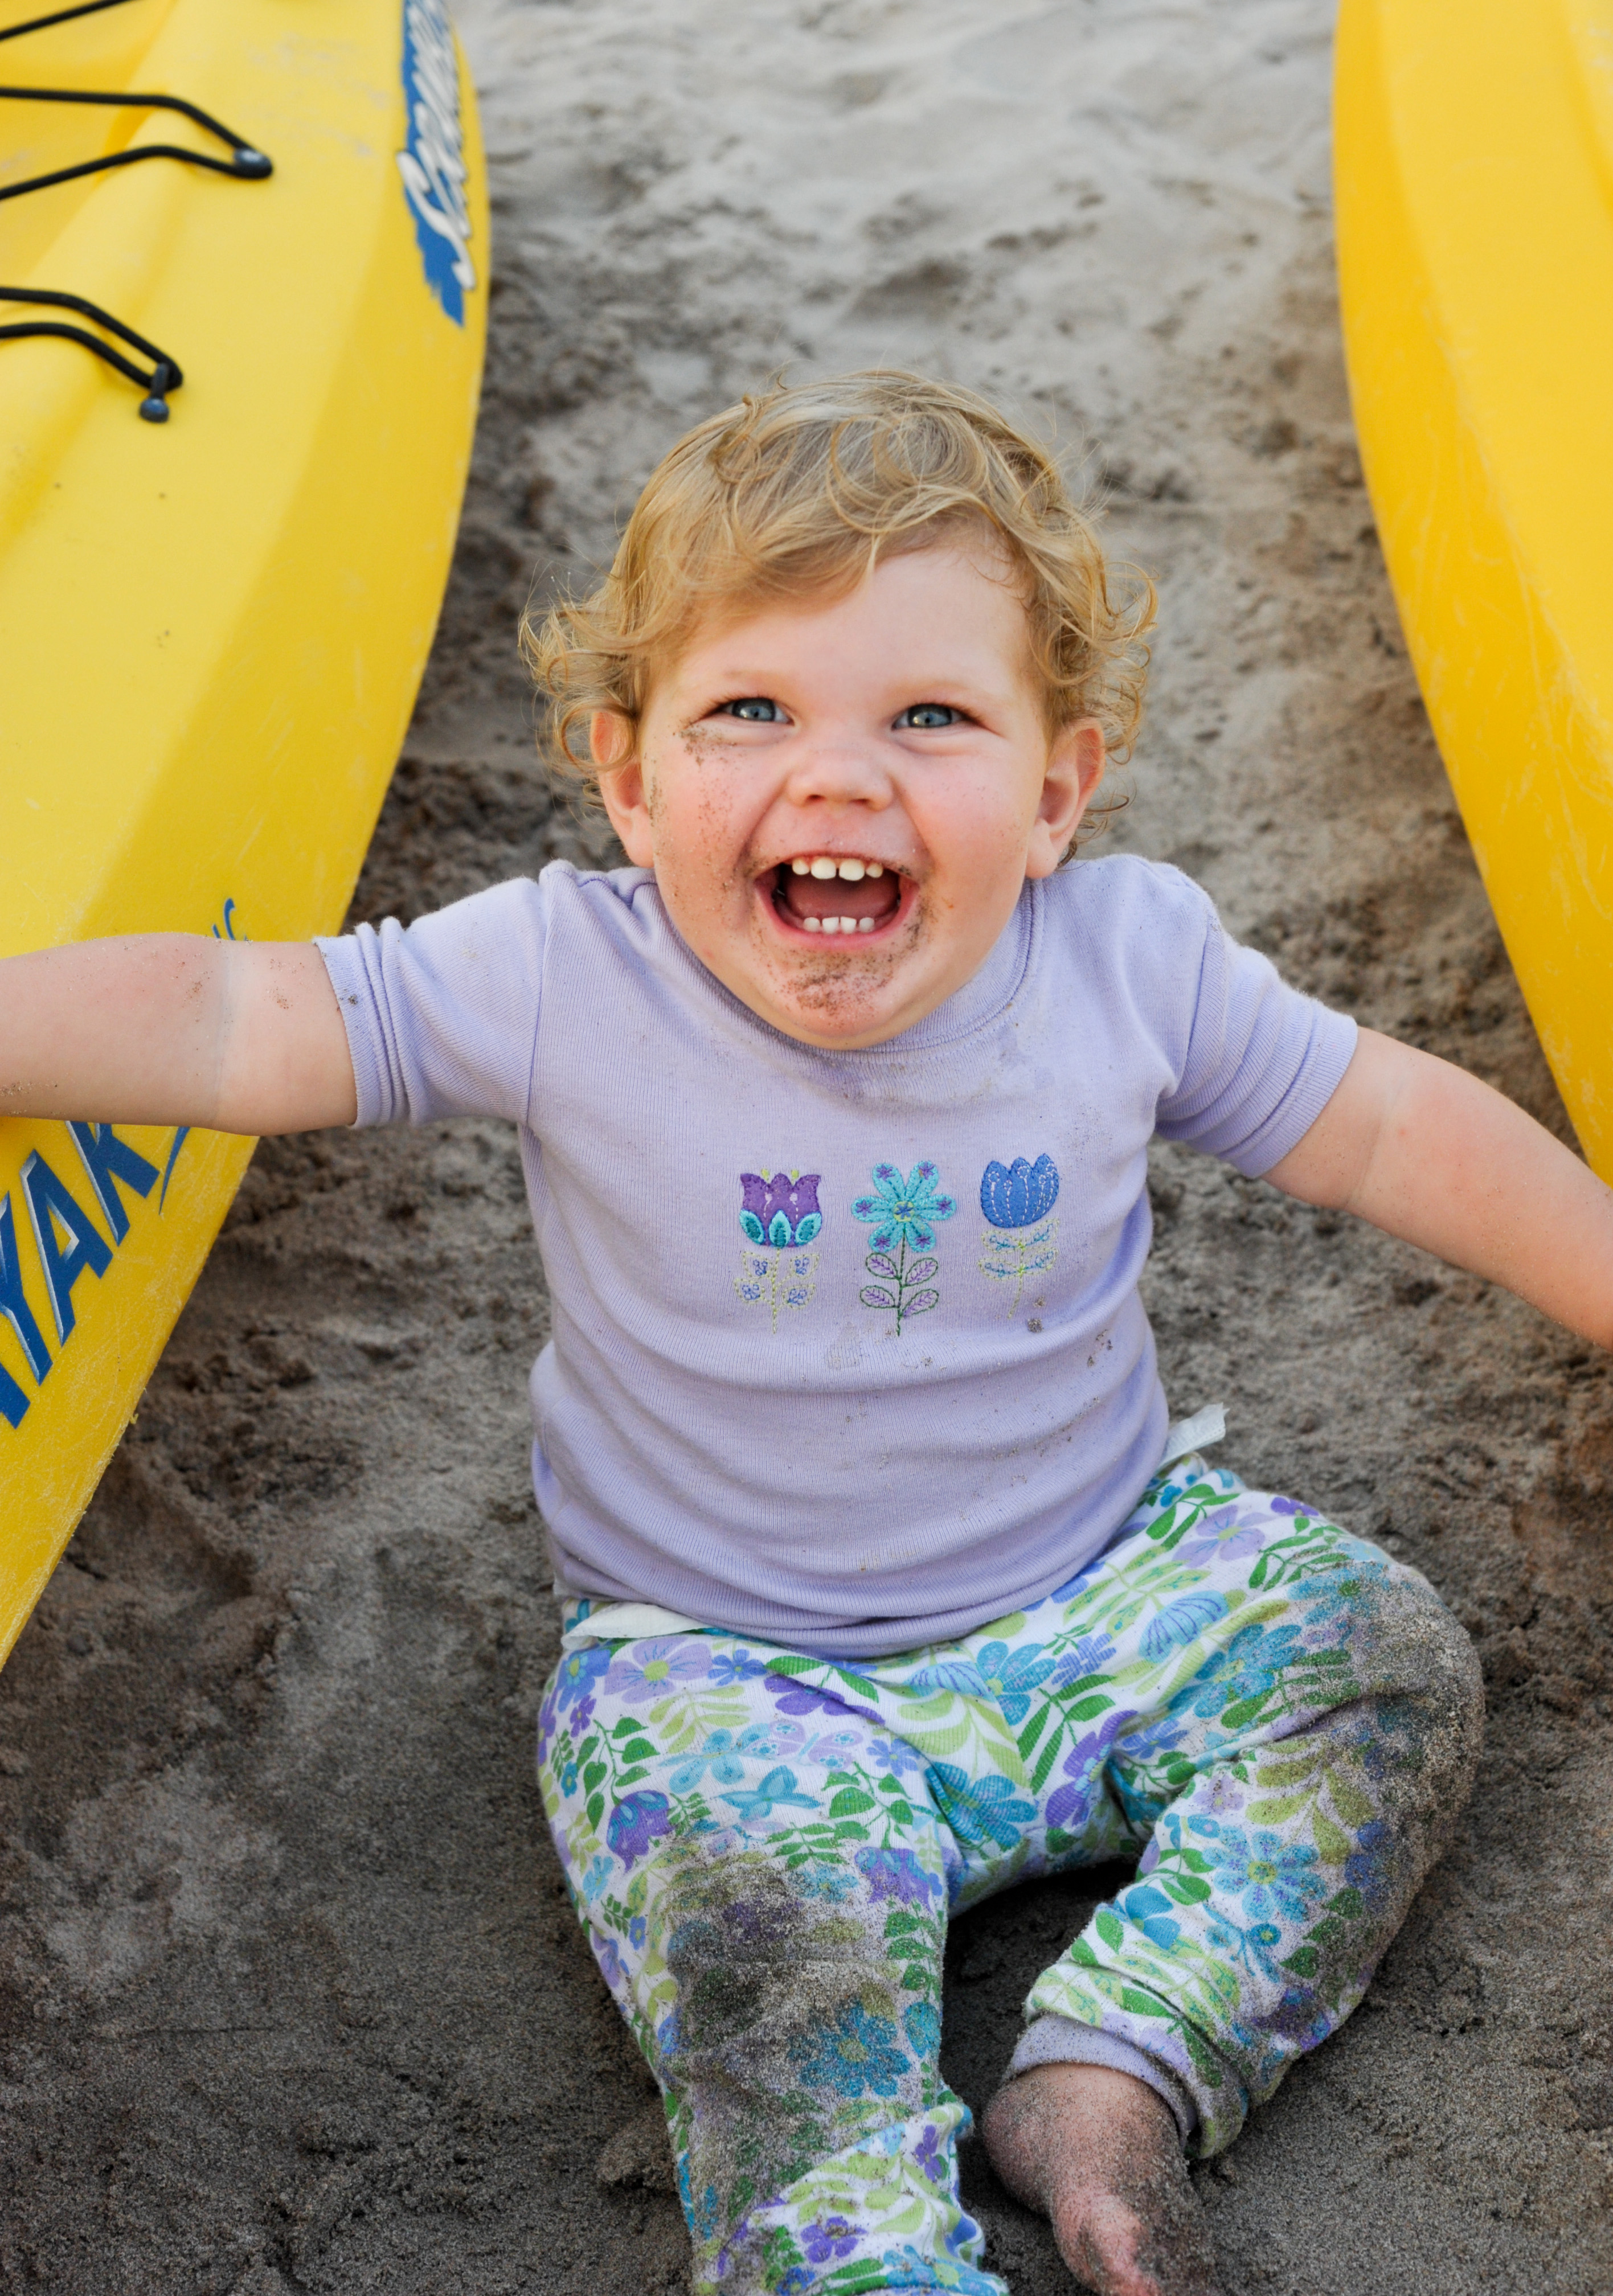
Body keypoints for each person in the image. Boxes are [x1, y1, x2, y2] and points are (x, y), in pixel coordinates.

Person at [6, 372, 1611, 2296]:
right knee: (765, 1966)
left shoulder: (1129, 960)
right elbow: (232, 1023)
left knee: (1379, 1661)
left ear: (1057, 792)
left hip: (1107, 1583)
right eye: (750, 712)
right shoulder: (561, 973)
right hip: (728, 1671)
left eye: (930, 718)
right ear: (627, 781)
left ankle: (1118, 2071)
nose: (838, 777)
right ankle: (866, 2247)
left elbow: (1392, 1128)